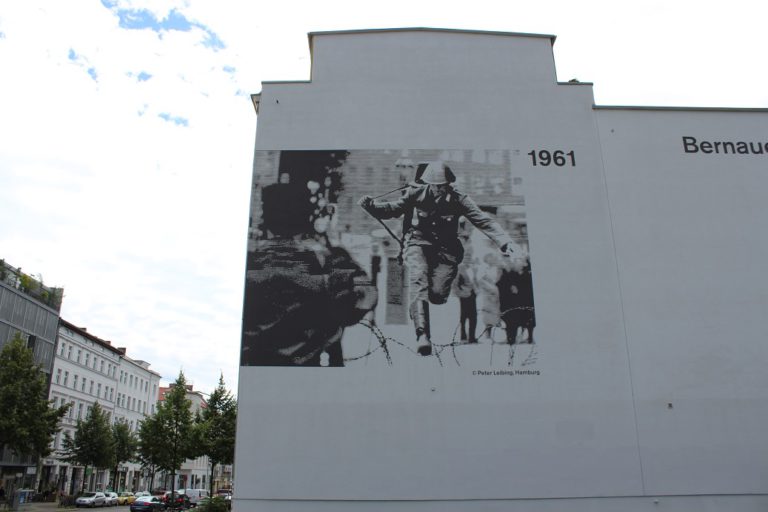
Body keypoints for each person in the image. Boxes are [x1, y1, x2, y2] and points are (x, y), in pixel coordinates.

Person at [358, 161, 516, 355]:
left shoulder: (459, 199)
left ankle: (434, 298)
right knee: (418, 279)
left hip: (446, 250)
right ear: (428, 183)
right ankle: (422, 336)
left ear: (449, 184)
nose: (438, 189)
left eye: (443, 185)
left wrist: (505, 242)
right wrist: (372, 205)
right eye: (435, 185)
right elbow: (394, 209)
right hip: (419, 243)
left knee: (437, 295)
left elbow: (482, 220)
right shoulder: (416, 194)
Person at [241, 181, 378, 366]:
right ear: (307, 218)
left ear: (266, 217)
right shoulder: (328, 262)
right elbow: (364, 297)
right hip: (311, 368)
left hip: (255, 370)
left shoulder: (249, 261)